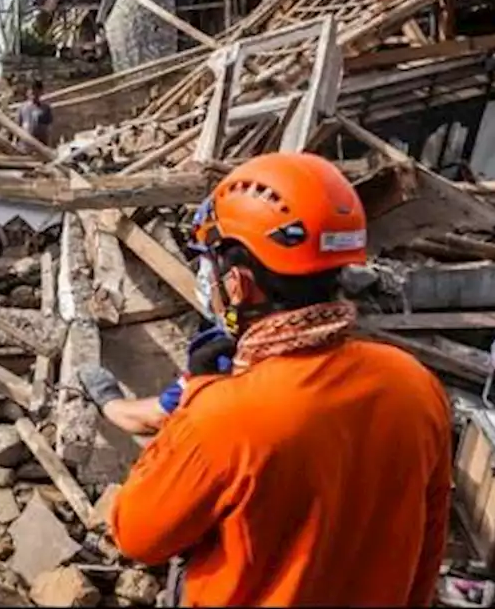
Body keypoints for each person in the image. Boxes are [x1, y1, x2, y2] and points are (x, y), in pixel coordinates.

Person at [109, 152, 452, 606]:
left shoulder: (222, 415)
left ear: (237, 285)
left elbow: (136, 535)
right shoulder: (414, 383)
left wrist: (195, 400)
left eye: (210, 264)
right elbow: (429, 544)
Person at [78, 198, 235, 436]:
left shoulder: (226, 357)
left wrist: (109, 400)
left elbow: (156, 418)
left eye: (207, 264)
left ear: (237, 282)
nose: (202, 276)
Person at [16, 80, 53, 147]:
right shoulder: (23, 108)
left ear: (41, 92)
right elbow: (18, 126)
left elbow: (48, 129)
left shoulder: (45, 109)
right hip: (24, 144)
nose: (34, 93)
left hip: (40, 144)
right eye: (32, 91)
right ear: (28, 92)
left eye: (36, 91)